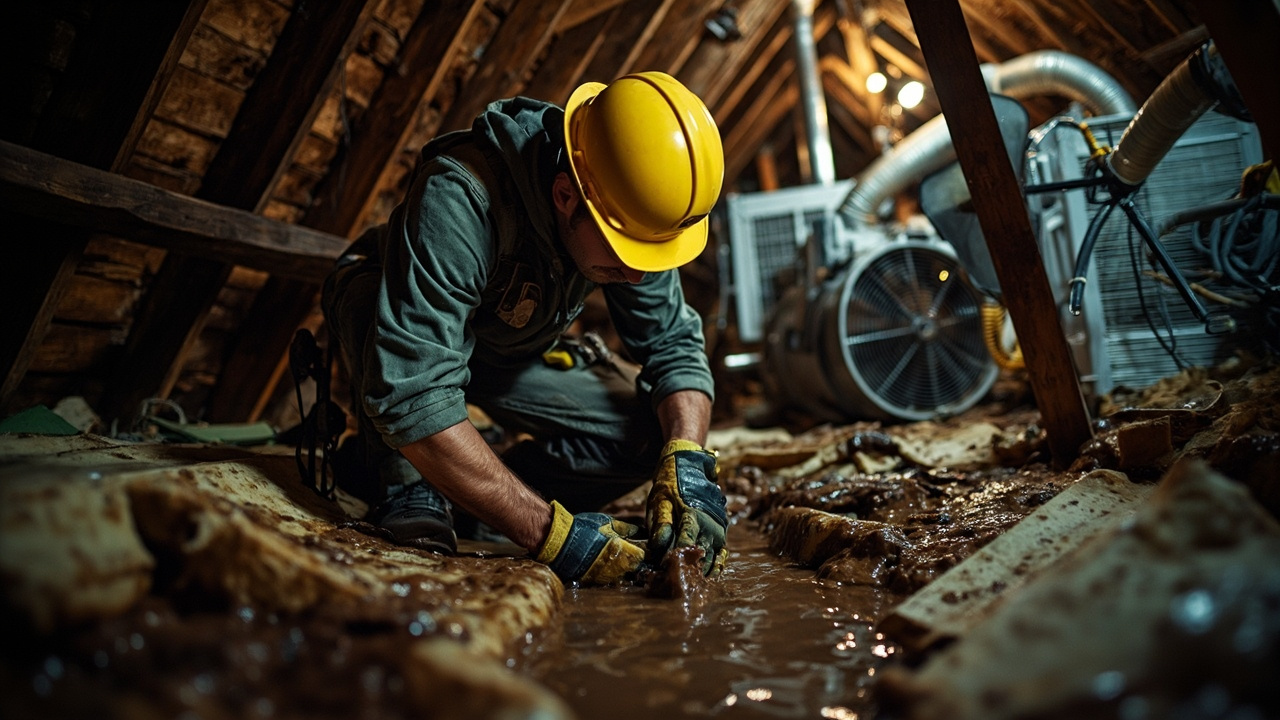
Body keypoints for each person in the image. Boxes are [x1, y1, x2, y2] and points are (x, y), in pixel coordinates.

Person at [321, 71, 729, 585]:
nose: (640, 275)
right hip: (409, 335)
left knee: (651, 435)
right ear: (565, 195)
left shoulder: (627, 204)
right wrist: (549, 535)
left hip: (507, 349)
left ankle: (472, 492)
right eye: (626, 255)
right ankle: (405, 481)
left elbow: (674, 345)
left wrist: (686, 460)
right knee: (375, 319)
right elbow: (416, 389)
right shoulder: (461, 195)